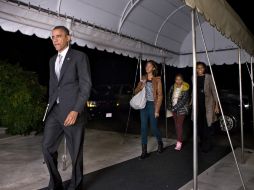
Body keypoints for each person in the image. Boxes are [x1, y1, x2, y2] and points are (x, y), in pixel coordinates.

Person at [42, 26, 92, 190]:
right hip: (55, 111)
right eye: (53, 37)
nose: (55, 40)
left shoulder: (79, 57)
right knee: (47, 147)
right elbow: (53, 85)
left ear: (68, 37)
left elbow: (86, 86)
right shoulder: (51, 60)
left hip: (73, 112)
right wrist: (50, 105)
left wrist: (76, 110)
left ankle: (75, 186)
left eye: (59, 36)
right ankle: (55, 184)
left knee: (75, 152)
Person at [134, 60, 163, 160]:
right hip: (144, 105)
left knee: (154, 128)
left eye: (149, 66)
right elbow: (135, 91)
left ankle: (160, 142)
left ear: (153, 68)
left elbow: (160, 96)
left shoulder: (157, 80)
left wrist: (157, 110)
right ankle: (144, 152)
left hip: (152, 105)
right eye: (146, 66)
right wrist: (141, 85)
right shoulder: (143, 78)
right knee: (143, 128)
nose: (147, 67)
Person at [195, 61, 219, 152]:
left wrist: (216, 105)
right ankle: (201, 142)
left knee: (208, 125)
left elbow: (214, 91)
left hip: (208, 104)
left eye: (201, 68)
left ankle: (207, 145)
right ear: (196, 69)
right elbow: (194, 91)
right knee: (199, 125)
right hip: (198, 105)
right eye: (198, 68)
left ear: (204, 69)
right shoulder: (193, 77)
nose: (200, 69)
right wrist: (191, 101)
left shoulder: (209, 77)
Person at [167, 74, 190, 151]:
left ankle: (179, 142)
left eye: (180, 79)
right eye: (177, 79)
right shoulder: (172, 87)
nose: (178, 81)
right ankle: (178, 139)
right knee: (176, 125)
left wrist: (174, 108)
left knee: (179, 125)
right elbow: (169, 96)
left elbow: (183, 101)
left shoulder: (185, 88)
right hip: (173, 109)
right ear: (175, 80)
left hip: (181, 109)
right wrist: (170, 106)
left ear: (182, 80)